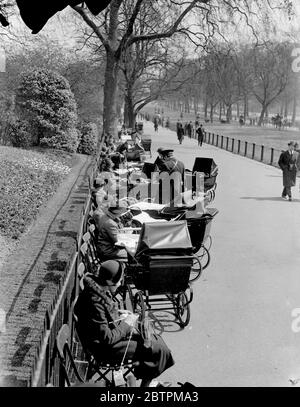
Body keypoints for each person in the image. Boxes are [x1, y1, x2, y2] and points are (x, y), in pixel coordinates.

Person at [74, 260, 175, 387]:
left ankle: (147, 379)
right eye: (119, 280)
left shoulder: (96, 290)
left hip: (103, 342)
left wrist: (119, 313)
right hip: (105, 350)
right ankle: (146, 384)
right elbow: (107, 338)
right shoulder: (95, 301)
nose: (120, 283)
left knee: (155, 341)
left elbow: (103, 316)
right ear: (110, 281)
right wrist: (127, 324)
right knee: (157, 349)